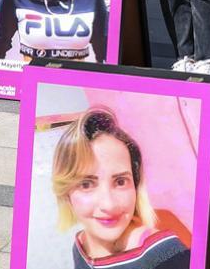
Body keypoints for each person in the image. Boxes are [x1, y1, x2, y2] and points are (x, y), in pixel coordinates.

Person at [52, 108, 191, 269]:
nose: (109, 205)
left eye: (120, 182)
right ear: (65, 194)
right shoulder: (80, 244)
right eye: (86, 184)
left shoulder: (165, 254)